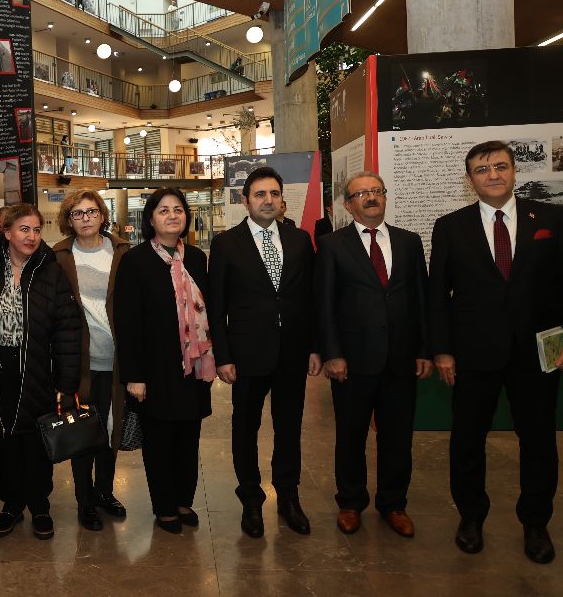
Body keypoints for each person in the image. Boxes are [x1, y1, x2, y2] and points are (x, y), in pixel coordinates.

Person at [428, 140, 563, 565]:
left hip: (538, 352)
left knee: (539, 441)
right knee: (468, 439)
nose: (493, 175)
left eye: (500, 166)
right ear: (470, 179)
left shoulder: (552, 219)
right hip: (473, 353)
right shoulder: (450, 227)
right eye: (482, 170)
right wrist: (442, 351)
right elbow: (437, 296)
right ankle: (471, 517)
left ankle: (536, 522)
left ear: (514, 170)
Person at [314, 172, 432, 538]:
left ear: (384, 197)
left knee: (397, 438)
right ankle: (350, 503)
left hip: (401, 359)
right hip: (352, 361)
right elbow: (324, 304)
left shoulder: (409, 242)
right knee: (351, 436)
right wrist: (333, 353)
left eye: (376, 191)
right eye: (361, 193)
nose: (370, 198)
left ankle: (394, 504)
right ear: (348, 205)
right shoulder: (332, 245)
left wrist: (424, 349)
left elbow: (421, 299)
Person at [208, 166, 321, 539]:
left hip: (292, 353)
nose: (267, 200)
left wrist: (315, 347)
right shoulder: (227, 244)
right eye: (259, 194)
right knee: (245, 428)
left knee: (289, 428)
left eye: (274, 193)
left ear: (282, 199)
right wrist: (223, 356)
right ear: (245, 201)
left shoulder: (300, 240)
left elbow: (310, 299)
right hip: (246, 355)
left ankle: (288, 498)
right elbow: (216, 307)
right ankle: (251, 501)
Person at [114, 188, 216, 534]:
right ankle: (164, 507)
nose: (172, 215)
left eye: (178, 209)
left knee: (189, 438)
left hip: (193, 367)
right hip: (154, 368)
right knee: (159, 442)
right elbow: (127, 322)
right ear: (151, 219)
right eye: (163, 210)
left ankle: (184, 500)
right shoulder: (136, 260)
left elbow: (208, 311)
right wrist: (134, 375)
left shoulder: (197, 258)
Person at [0, 203, 80, 541]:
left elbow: (67, 329)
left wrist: (66, 382)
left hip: (38, 369)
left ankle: (39, 505)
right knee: (4, 439)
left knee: (36, 440)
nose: (32, 236)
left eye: (36, 230)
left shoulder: (50, 271)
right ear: (6, 232)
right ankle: (10, 504)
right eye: (24, 229)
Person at [53, 191, 131, 531]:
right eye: (77, 213)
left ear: (102, 215)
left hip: (116, 361)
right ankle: (85, 502)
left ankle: (104, 492)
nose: (85, 218)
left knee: (111, 431)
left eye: (91, 211)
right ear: (68, 220)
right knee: (82, 433)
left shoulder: (121, 252)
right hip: (79, 364)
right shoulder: (59, 256)